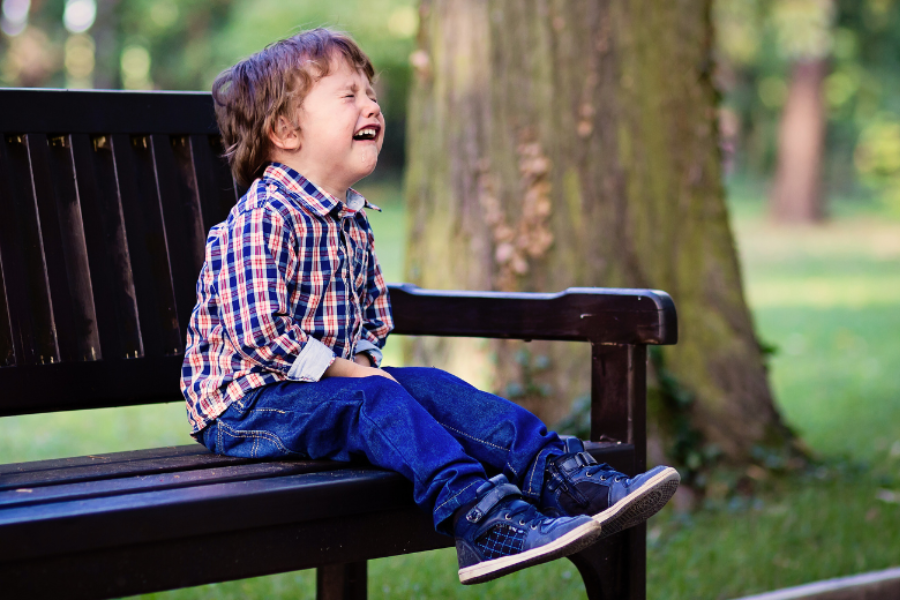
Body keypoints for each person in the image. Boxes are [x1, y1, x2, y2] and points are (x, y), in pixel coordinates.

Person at [180, 28, 680, 586]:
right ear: (285, 130)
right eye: (348, 95)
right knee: (375, 399)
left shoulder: (350, 220)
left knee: (435, 386)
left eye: (370, 94)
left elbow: (372, 312)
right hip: (247, 405)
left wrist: (367, 364)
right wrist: (360, 376)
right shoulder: (262, 217)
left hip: (330, 391)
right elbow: (260, 335)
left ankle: (562, 478)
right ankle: (485, 521)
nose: (371, 104)